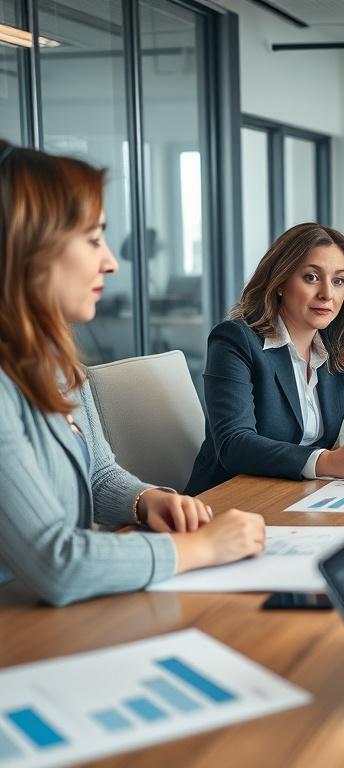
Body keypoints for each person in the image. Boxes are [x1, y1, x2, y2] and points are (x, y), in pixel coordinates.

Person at [0, 141, 266, 606]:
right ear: (29, 249)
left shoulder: (57, 364)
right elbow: (56, 561)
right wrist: (198, 547)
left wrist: (144, 501)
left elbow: (98, 474)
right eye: (92, 238)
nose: (110, 260)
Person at [185, 223, 344, 495]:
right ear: (280, 282)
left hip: (301, 494)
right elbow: (235, 444)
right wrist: (327, 461)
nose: (327, 293)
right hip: (231, 498)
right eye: (312, 277)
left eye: (338, 281)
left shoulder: (337, 348)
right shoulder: (235, 341)